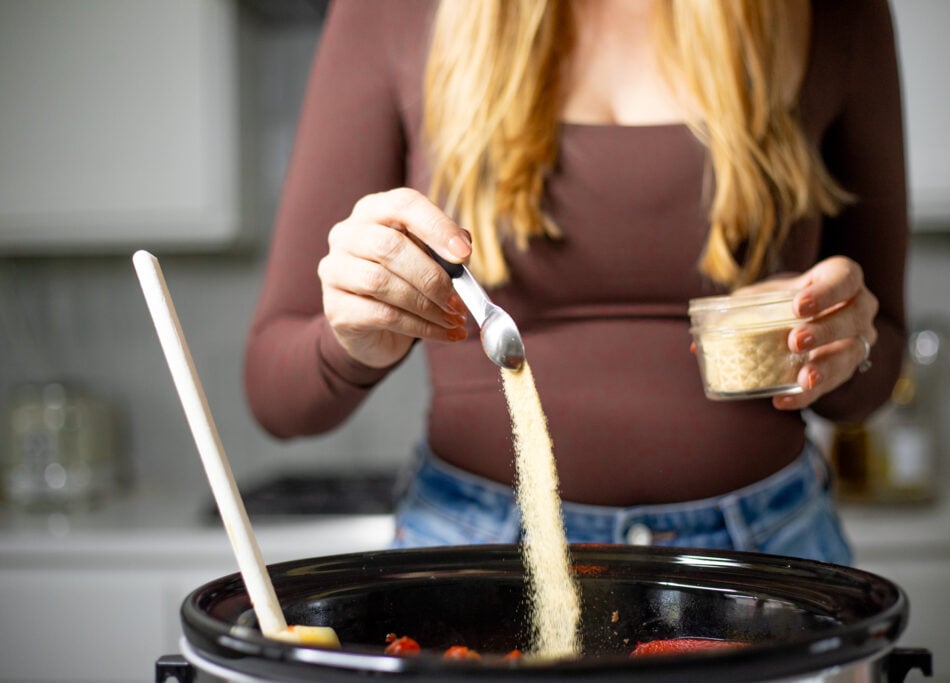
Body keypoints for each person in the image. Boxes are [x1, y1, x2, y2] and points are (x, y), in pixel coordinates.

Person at [244, 0, 907, 565]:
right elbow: (275, 393)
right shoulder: (393, 11)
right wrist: (352, 340)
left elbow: (880, 358)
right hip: (477, 555)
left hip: (767, 552)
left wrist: (844, 346)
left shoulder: (831, 13)